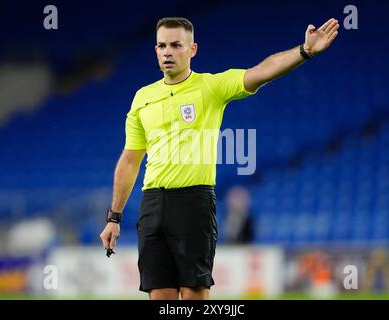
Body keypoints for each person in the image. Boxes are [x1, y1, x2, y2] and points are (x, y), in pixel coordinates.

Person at [100, 16, 339, 300]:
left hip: (193, 203)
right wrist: (114, 217)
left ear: (192, 49)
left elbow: (260, 72)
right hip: (152, 204)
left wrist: (304, 50)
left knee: (193, 296)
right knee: (159, 296)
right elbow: (130, 160)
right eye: (162, 45)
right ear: (155, 50)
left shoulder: (210, 87)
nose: (167, 51)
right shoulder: (143, 97)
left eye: (176, 45)